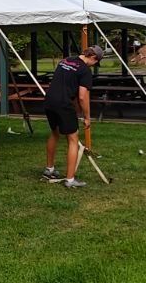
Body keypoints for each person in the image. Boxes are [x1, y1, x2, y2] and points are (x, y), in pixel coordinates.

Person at [41, 46, 102, 188]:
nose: (94, 66)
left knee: (54, 133)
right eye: (96, 63)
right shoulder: (85, 71)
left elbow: (65, 84)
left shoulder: (65, 61)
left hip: (50, 101)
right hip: (64, 104)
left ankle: (49, 169)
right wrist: (87, 117)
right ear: (93, 58)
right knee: (73, 139)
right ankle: (70, 179)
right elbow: (82, 97)